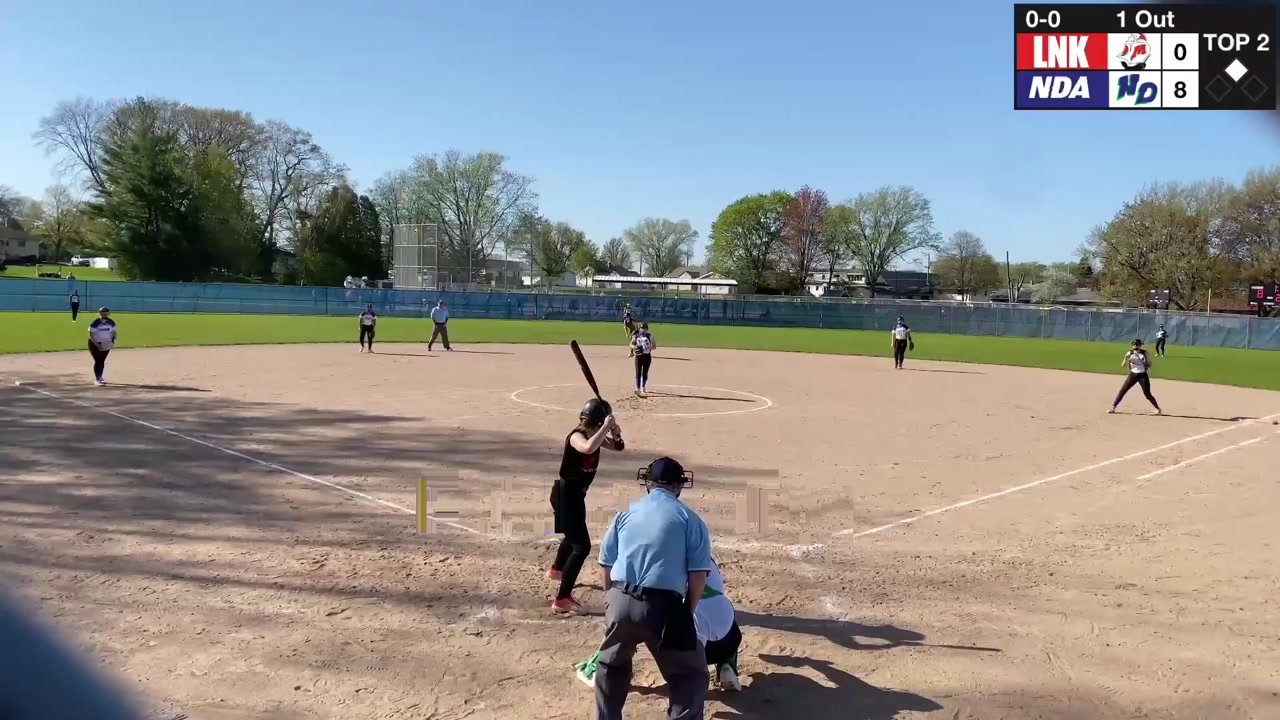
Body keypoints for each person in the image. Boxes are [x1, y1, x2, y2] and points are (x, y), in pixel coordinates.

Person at [593, 456, 715, 720]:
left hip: (618, 599)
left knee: (610, 666)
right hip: (663, 607)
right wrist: (686, 614)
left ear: (647, 484)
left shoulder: (625, 512)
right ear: (678, 486)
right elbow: (697, 576)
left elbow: (606, 563)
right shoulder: (690, 519)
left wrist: (611, 604)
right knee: (690, 675)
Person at [575, 557, 743, 692]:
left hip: (688, 651)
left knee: (630, 611)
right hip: (726, 642)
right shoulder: (705, 558)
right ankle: (727, 665)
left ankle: (598, 667)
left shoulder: (655, 560)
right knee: (719, 609)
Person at [548, 399, 625, 614]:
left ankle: (556, 570)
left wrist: (615, 433)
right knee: (581, 546)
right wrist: (605, 428)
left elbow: (619, 447)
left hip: (574, 496)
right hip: (565, 495)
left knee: (572, 536)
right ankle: (562, 599)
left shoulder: (596, 436)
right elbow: (588, 447)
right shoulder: (577, 437)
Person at [1109, 339, 1162, 415]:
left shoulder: (1145, 353)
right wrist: (1126, 358)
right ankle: (1113, 407)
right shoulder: (1130, 353)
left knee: (1147, 394)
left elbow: (1150, 364)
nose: (1135, 346)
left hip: (1142, 375)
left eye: (1137, 345)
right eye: (1134, 345)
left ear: (1140, 346)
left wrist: (1143, 362)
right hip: (1133, 374)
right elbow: (1123, 366)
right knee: (1123, 390)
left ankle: (1157, 408)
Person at [87, 308, 117, 386]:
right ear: (99, 313)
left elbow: (114, 332)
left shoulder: (111, 322)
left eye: (106, 312)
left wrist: (112, 341)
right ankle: (97, 379)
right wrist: (97, 345)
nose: (104, 314)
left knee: (102, 360)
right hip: (94, 344)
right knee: (98, 360)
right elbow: (91, 335)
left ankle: (100, 376)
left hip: (106, 343)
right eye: (102, 312)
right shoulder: (95, 323)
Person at [631, 323, 656, 396]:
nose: (642, 330)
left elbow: (654, 347)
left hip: (647, 356)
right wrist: (634, 347)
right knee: (638, 373)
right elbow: (631, 344)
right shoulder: (636, 335)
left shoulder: (650, 336)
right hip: (638, 356)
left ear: (647, 329)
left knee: (644, 372)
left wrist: (647, 348)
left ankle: (643, 387)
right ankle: (638, 388)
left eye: (644, 328)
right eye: (641, 328)